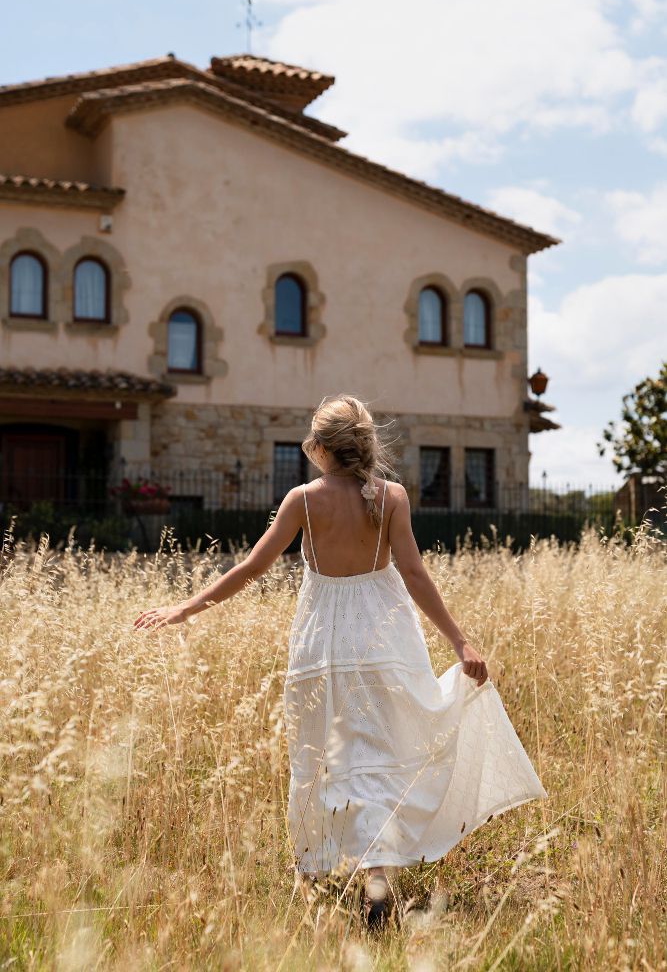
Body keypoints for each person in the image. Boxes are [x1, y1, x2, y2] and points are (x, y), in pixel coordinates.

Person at [134, 394, 547, 930]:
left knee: (321, 759)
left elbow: (252, 567)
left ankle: (312, 877)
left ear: (320, 447)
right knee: (380, 758)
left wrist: (184, 608)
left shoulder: (303, 500)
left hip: (322, 647)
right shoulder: (392, 496)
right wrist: (460, 643)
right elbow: (416, 575)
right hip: (385, 640)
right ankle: (377, 882)